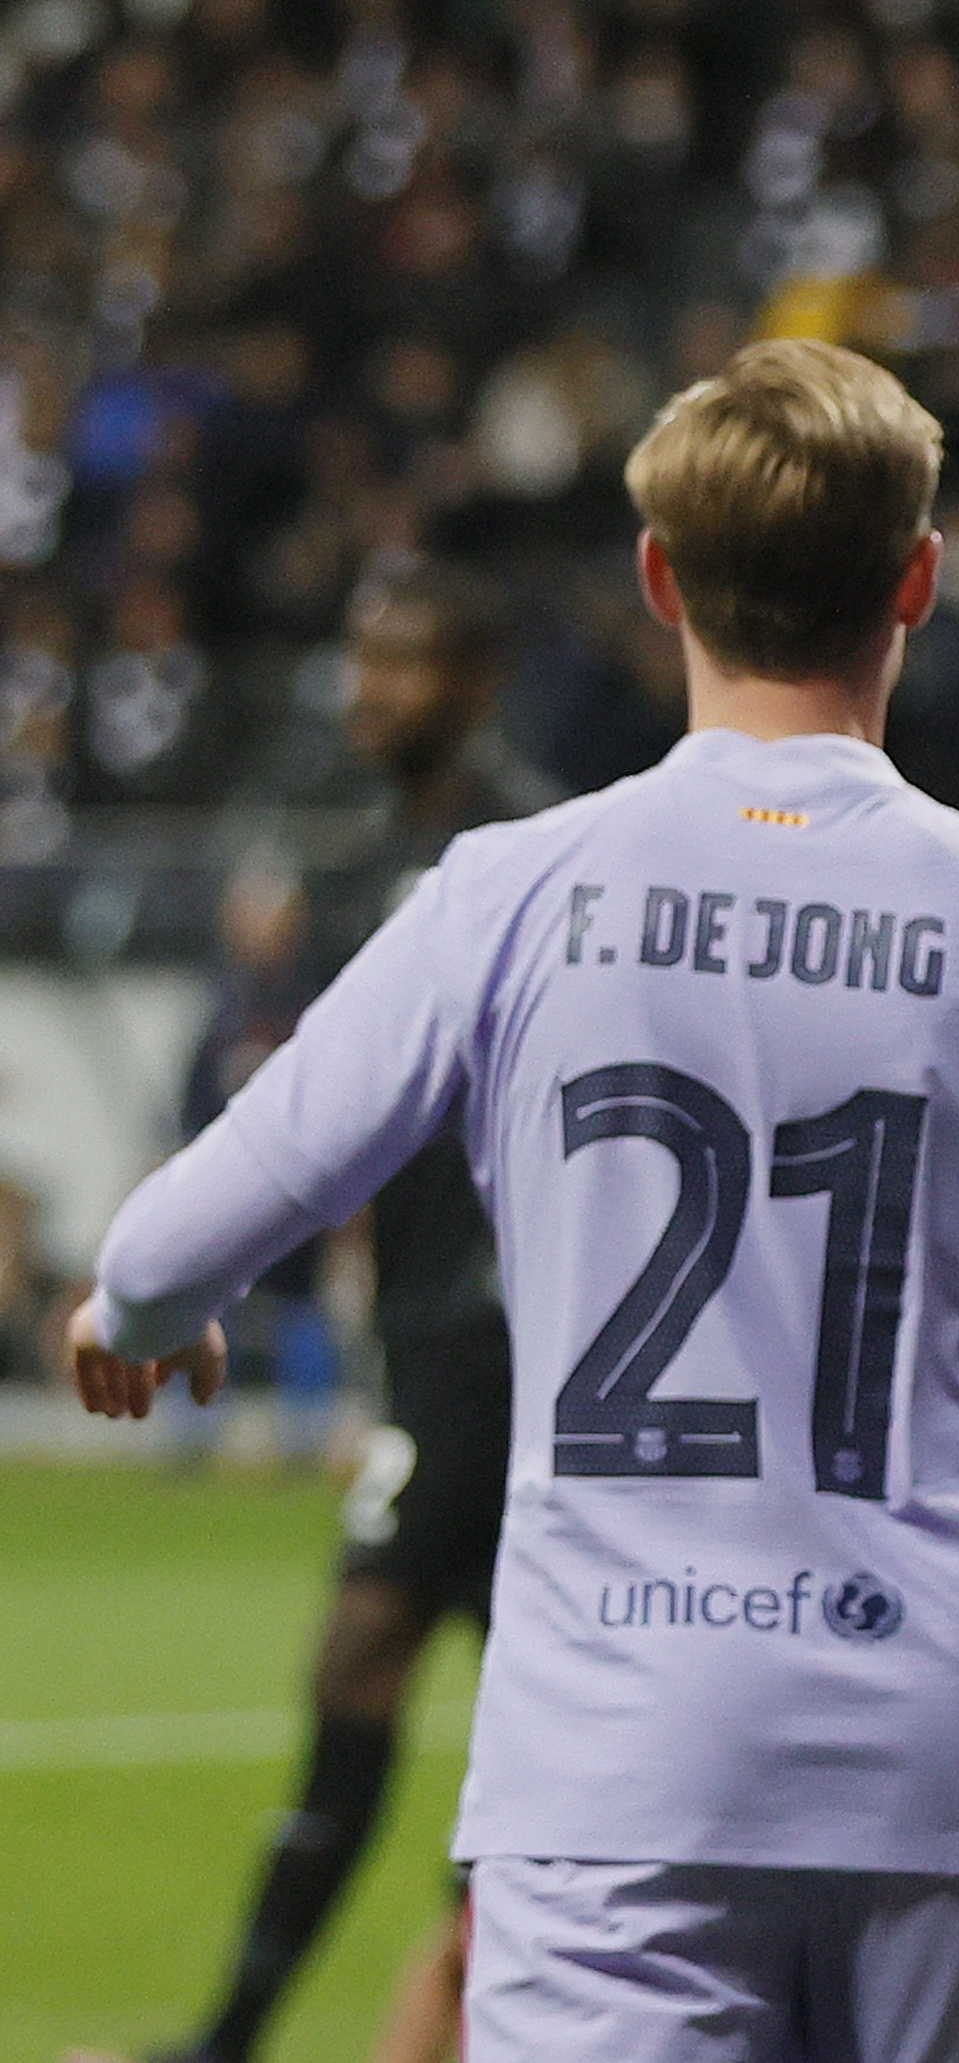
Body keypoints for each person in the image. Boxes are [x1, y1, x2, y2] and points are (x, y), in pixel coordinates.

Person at [66, 339, 959, 2063]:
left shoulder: (508, 891)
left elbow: (183, 1230)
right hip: (945, 1741)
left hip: (611, 1761)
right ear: (916, 578)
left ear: (657, 580)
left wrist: (136, 1318)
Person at [108, 562, 555, 2063]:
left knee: (371, 1648)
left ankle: (236, 2035)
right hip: (432, 1330)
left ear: (478, 679)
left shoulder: (525, 853)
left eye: (406, 658)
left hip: (515, 1341)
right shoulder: (372, 864)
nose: (370, 689)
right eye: (360, 658)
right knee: (531, 1714)